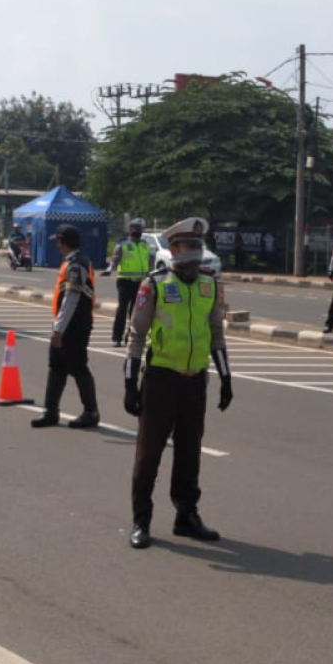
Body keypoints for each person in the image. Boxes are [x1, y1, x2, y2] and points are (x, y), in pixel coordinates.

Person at [123, 217, 233, 549]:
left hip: (195, 381)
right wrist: (130, 384)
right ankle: (141, 521)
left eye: (199, 247)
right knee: (149, 455)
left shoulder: (209, 285)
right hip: (160, 381)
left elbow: (216, 333)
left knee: (189, 453)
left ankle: (186, 516)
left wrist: (226, 378)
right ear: (173, 250)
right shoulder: (153, 284)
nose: (195, 255)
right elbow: (136, 336)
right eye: (189, 247)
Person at [31, 224, 100, 429]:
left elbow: (71, 298)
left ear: (64, 242)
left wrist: (58, 329)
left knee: (78, 367)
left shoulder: (76, 264)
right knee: (57, 366)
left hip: (74, 326)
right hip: (69, 324)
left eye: (58, 242)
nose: (57, 246)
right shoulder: (73, 261)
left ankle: (91, 412)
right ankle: (51, 411)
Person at [101, 217, 155, 347]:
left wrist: (152, 276)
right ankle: (116, 337)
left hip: (141, 283)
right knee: (122, 309)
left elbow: (151, 264)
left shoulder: (146, 246)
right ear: (129, 230)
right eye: (134, 228)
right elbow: (114, 261)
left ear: (142, 230)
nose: (136, 230)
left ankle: (131, 335)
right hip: (125, 282)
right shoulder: (122, 245)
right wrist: (109, 270)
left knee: (136, 311)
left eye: (138, 228)